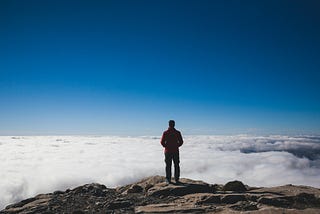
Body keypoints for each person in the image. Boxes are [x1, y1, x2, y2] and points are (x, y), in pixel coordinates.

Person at [160, 120, 183, 184]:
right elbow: (181, 142)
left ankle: (168, 179)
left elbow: (162, 142)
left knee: (168, 165)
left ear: (169, 124)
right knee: (176, 165)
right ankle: (176, 179)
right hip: (175, 151)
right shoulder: (177, 132)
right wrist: (176, 146)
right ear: (174, 124)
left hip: (168, 151)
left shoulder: (166, 132)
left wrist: (166, 146)